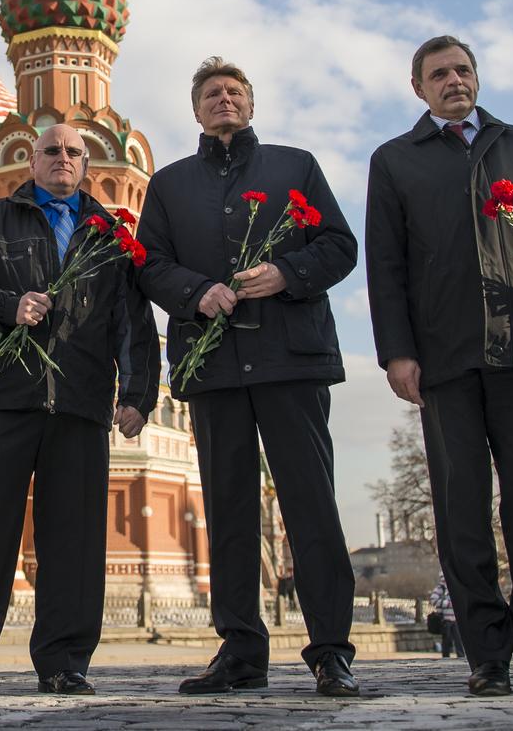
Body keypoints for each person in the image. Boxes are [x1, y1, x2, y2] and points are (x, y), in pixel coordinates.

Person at [366, 35, 513, 698]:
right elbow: (386, 267)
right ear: (419, 87)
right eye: (439, 73)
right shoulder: (395, 161)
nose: (454, 80)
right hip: (444, 360)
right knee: (461, 512)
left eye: (463, 69)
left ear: (477, 77)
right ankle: (487, 655)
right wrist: (398, 352)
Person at [137, 57, 360, 698]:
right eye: (211, 93)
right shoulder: (171, 183)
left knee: (309, 504)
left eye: (234, 91)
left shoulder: (297, 166)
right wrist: (197, 291)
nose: (223, 99)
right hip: (214, 368)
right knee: (229, 510)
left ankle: (330, 652)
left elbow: (340, 246)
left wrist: (287, 273)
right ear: (196, 110)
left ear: (251, 106)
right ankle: (240, 651)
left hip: (292, 360)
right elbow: (149, 263)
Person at [0, 123, 160, 701]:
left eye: (73, 152)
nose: (62, 159)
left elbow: (132, 318)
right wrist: (6, 305)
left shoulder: (108, 234)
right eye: (51, 150)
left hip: (79, 400)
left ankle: (64, 663)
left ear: (85, 162)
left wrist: (137, 394)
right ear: (31, 160)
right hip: (6, 396)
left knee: (73, 538)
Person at [430, 572, 464, 659]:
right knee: (446, 639)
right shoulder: (440, 589)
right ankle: (446, 656)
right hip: (445, 619)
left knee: (459, 639)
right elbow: (433, 600)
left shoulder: (455, 587)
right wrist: (447, 604)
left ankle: (461, 656)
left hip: (456, 618)